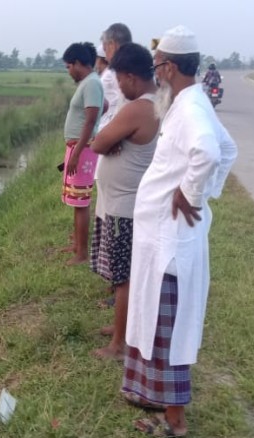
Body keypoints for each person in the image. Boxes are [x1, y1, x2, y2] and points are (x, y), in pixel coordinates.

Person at [122, 26, 237, 438]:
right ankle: (153, 396)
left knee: (165, 329)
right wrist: (199, 192)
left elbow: (210, 151)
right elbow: (229, 149)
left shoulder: (190, 109)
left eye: (157, 67)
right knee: (154, 321)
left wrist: (191, 193)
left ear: (169, 68)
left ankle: (174, 422)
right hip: (161, 238)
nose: (155, 75)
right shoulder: (189, 102)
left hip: (170, 242)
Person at [89, 43, 160, 361]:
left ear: (131, 76)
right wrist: (110, 139)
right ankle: (124, 328)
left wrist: (107, 139)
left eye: (119, 79)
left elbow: (99, 142)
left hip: (124, 208)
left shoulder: (138, 108)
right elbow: (106, 140)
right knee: (127, 274)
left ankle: (119, 345)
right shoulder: (157, 102)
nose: (118, 86)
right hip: (127, 203)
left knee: (123, 278)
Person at [92, 23, 133, 299]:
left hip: (124, 176)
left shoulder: (118, 74)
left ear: (112, 45)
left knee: (117, 233)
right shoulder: (118, 73)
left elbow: (116, 111)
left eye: (105, 46)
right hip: (113, 164)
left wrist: (112, 136)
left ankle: (118, 289)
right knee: (110, 227)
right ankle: (115, 286)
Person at [61, 42, 104, 266]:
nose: (69, 71)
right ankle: (77, 245)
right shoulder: (89, 83)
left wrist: (77, 152)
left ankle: (82, 253)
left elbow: (90, 119)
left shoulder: (91, 83)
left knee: (81, 202)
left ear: (78, 63)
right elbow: (104, 105)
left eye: (69, 67)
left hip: (83, 150)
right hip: (79, 148)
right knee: (75, 199)